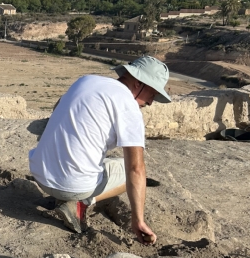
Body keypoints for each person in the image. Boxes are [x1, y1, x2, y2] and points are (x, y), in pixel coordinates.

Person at [28, 55, 171, 244]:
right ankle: (80, 203)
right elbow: (135, 169)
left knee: (103, 161)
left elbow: (57, 108)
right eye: (152, 94)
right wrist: (138, 220)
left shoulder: (86, 80)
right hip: (70, 188)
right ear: (138, 83)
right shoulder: (129, 106)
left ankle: (70, 194)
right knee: (134, 172)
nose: (151, 102)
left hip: (40, 175)